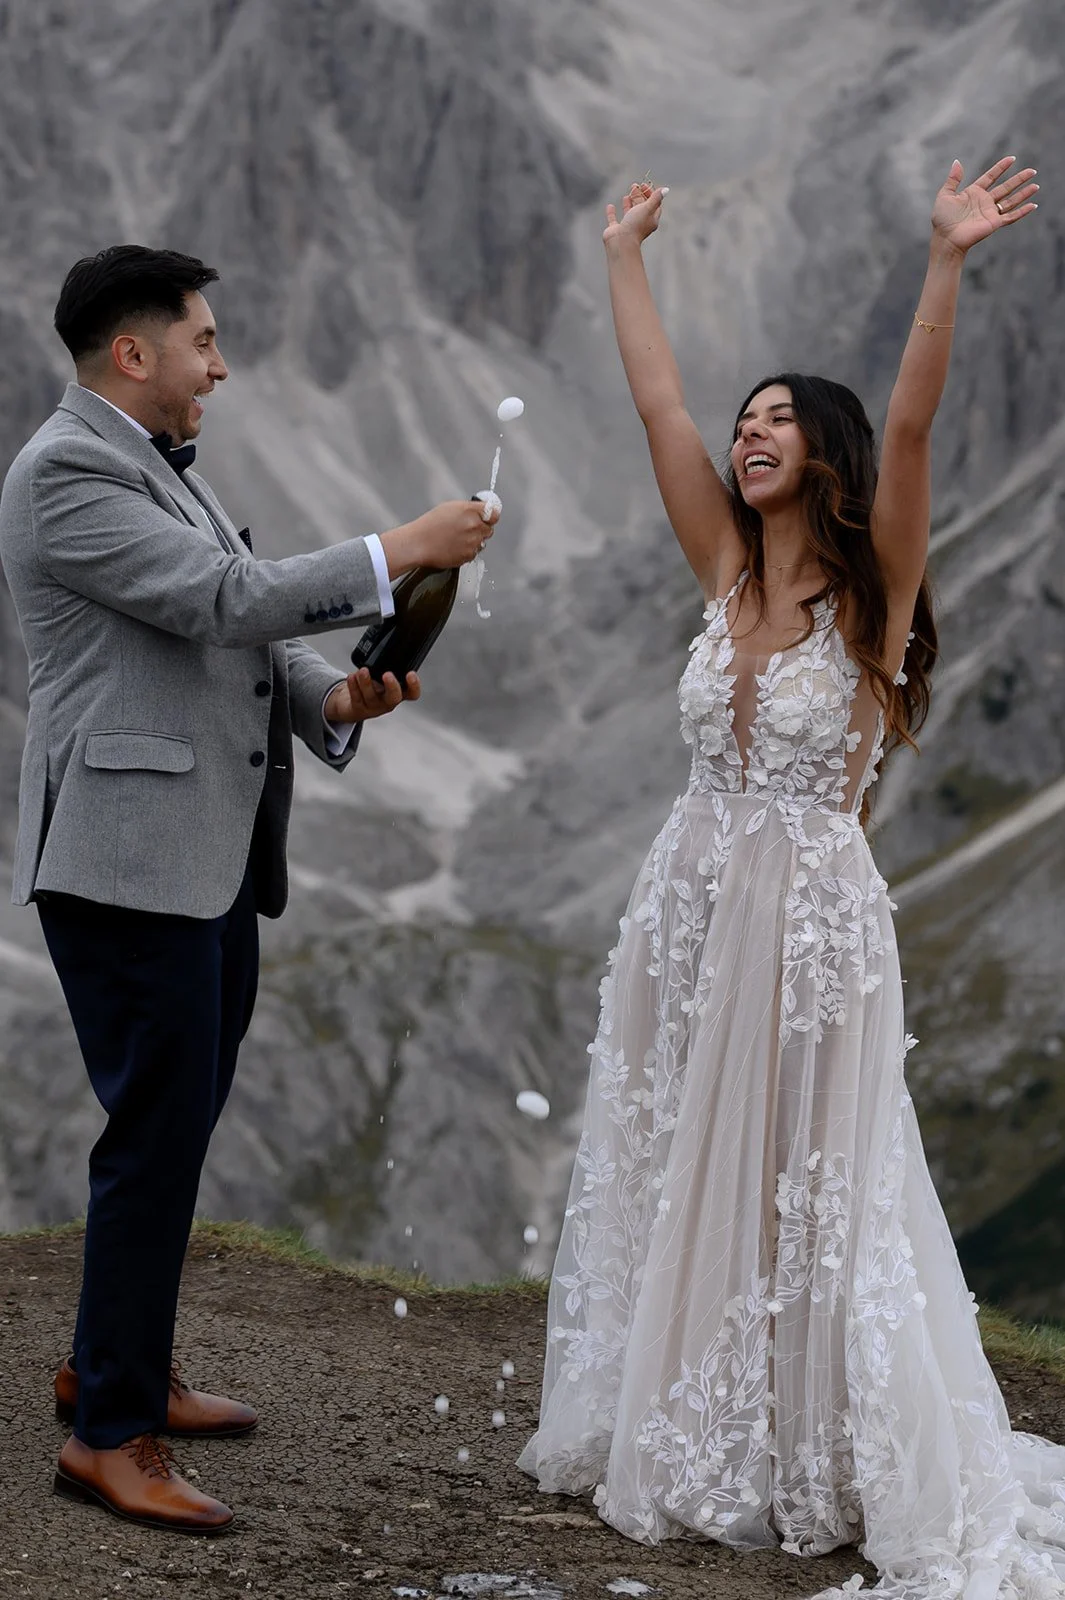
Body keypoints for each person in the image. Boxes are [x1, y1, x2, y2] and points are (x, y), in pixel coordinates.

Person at [519, 161, 1065, 1595]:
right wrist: (624, 252)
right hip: (687, 901)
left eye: (776, 424)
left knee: (804, 1180)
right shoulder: (721, 568)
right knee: (678, 1155)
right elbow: (658, 406)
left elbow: (914, 418)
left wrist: (946, 258)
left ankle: (807, 1438)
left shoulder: (873, 594)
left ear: (820, 456)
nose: (748, 437)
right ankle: (690, 1410)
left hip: (815, 923)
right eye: (745, 422)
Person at [0, 244, 499, 1534]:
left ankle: (119, 1368)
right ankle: (107, 1434)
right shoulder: (65, 473)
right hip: (123, 861)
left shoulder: (161, 472)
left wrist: (335, 697)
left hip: (200, 851)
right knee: (153, 1129)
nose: (221, 366)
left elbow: (232, 641)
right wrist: (399, 550)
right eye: (205, 342)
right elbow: (224, 598)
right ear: (134, 353)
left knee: (180, 1118)